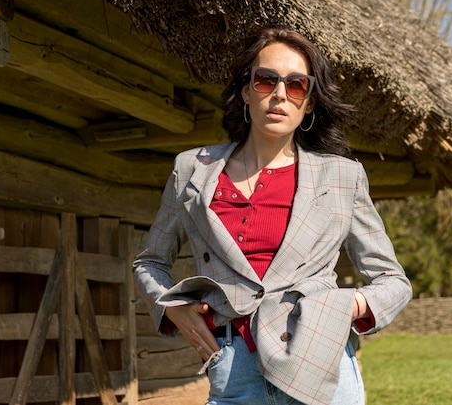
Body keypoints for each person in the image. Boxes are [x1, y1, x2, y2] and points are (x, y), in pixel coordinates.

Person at [133, 24, 412, 405]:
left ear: (309, 102)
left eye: (297, 85)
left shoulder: (343, 177)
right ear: (246, 90)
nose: (280, 94)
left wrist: (344, 305)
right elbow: (150, 261)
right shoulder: (191, 169)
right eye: (266, 80)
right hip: (232, 368)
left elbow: (393, 281)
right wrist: (173, 309)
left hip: (320, 363)